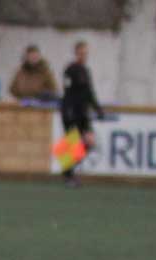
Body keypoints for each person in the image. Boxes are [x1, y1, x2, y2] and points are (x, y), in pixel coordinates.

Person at [61, 40, 104, 187]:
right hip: (72, 112)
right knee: (72, 143)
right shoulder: (70, 70)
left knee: (89, 142)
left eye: (86, 53)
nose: (84, 56)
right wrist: (68, 111)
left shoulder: (86, 70)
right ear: (76, 53)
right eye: (81, 53)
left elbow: (89, 92)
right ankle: (68, 176)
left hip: (83, 113)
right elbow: (67, 92)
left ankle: (68, 171)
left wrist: (98, 108)